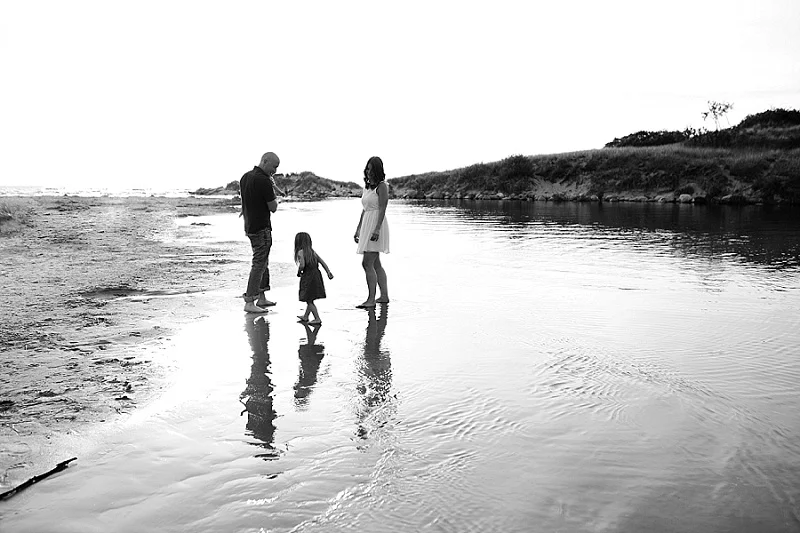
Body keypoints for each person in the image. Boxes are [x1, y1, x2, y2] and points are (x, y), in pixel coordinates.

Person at [240, 152, 280, 313]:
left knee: (263, 261)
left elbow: (245, 201)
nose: (275, 171)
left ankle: (262, 297)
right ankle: (250, 301)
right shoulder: (264, 180)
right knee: (259, 263)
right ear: (265, 161)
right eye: (274, 167)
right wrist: (275, 194)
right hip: (261, 227)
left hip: (250, 226)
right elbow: (273, 207)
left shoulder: (245, 177)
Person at [353, 156, 390, 308]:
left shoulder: (382, 186)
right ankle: (384, 296)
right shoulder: (367, 187)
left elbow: (382, 208)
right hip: (367, 224)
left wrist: (377, 229)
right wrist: (358, 229)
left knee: (367, 263)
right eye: (367, 169)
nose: (368, 172)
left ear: (377, 170)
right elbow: (364, 210)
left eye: (371, 169)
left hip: (376, 225)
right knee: (375, 263)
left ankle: (371, 300)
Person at [295, 232, 334, 325]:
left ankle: (317, 318)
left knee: (308, 299)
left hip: (308, 277)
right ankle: (305, 316)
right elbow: (322, 262)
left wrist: (299, 272)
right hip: (316, 276)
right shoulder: (312, 252)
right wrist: (328, 272)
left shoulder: (300, 252)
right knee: (310, 297)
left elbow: (302, 265)